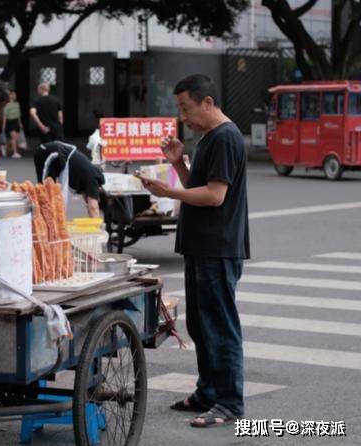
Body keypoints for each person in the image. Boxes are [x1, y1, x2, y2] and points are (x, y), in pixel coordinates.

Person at [139, 74, 250, 427]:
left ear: (207, 102)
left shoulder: (226, 138)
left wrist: (168, 192)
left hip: (218, 247)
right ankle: (208, 392)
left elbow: (215, 195)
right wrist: (177, 164)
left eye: (186, 108)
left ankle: (230, 402)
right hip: (202, 245)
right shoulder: (209, 139)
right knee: (202, 326)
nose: (183, 116)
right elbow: (199, 186)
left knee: (219, 326)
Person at [34, 141, 104, 217]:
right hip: (47, 153)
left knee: (51, 196)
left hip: (56, 157)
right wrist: (97, 228)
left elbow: (91, 205)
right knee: (44, 195)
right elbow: (93, 207)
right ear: (98, 191)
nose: (86, 201)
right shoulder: (93, 180)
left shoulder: (89, 179)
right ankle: (38, 221)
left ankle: (48, 223)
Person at [1, 90, 24, 158]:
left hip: (16, 121)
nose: (15, 96)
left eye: (15, 95)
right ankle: (15, 153)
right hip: (10, 121)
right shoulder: (7, 105)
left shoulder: (17, 104)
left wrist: (20, 123)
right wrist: (4, 125)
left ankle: (5, 146)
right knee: (14, 137)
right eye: (13, 95)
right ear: (10, 95)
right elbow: (4, 116)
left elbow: (18, 115)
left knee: (15, 138)